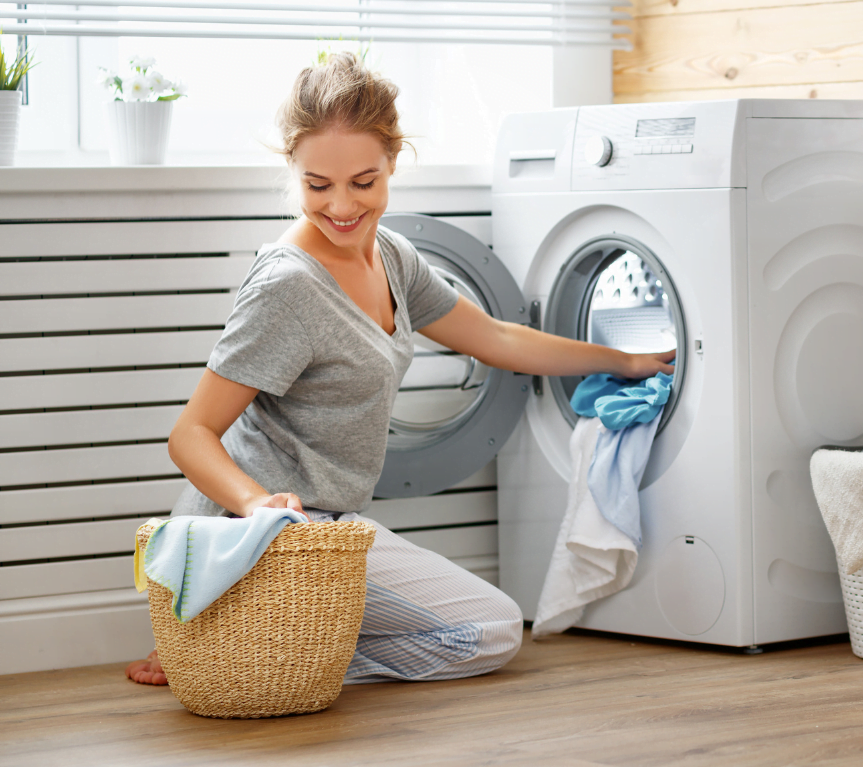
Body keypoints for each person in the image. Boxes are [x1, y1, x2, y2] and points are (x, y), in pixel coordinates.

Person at [126, 53, 673, 686]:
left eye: (363, 181)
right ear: (293, 173)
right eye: (316, 184)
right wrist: (257, 505)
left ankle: (248, 654)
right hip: (257, 535)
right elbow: (189, 434)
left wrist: (625, 359)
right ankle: (240, 652)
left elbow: (494, 337)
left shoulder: (391, 255)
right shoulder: (287, 286)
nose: (339, 206)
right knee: (490, 632)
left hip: (332, 532)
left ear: (393, 162)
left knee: (487, 628)